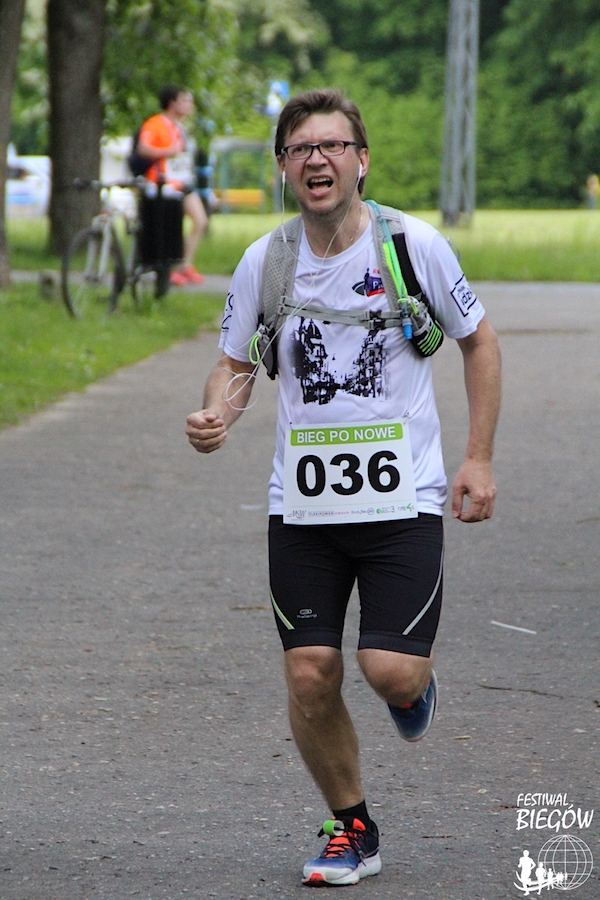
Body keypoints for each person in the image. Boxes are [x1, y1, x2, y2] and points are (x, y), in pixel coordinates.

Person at [186, 89, 501, 887]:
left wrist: (478, 458)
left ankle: (413, 686)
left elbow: (479, 342)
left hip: (403, 500)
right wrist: (216, 412)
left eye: (332, 146)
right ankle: (352, 827)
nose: (316, 159)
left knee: (390, 671)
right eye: (301, 148)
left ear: (361, 161)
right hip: (304, 506)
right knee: (309, 671)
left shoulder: (411, 245)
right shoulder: (268, 260)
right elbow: (234, 363)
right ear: (283, 167)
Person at [137, 85, 208, 286]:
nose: (190, 105)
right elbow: (142, 149)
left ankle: (184, 265)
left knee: (200, 220)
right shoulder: (155, 124)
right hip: (162, 184)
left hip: (181, 183)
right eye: (185, 100)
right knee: (169, 227)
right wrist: (168, 151)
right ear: (172, 103)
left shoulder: (179, 128)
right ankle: (168, 268)